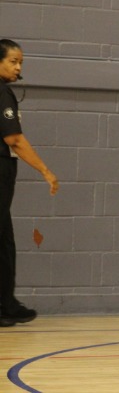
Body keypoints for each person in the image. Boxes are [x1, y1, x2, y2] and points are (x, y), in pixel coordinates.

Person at [0, 39, 59, 328]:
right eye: (13, 61)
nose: (18, 67)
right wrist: (45, 170)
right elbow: (14, 139)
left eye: (21, 62)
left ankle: (6, 305)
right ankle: (5, 306)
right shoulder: (2, 93)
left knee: (5, 242)